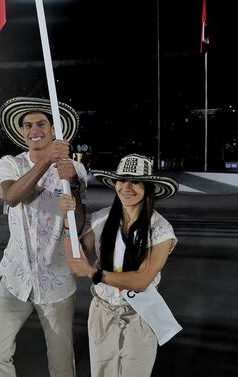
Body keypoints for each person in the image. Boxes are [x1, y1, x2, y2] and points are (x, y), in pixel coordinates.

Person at [0, 97, 88, 377]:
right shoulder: (11, 163)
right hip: (16, 278)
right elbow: (13, 196)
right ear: (21, 132)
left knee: (61, 363)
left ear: (54, 130)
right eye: (27, 125)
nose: (34, 129)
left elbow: (77, 226)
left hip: (56, 279)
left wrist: (74, 185)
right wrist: (46, 161)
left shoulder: (73, 170)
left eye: (41, 123)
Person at [58, 153, 182, 377]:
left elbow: (142, 279)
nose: (127, 187)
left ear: (148, 188)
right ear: (115, 184)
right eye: (122, 180)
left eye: (135, 182)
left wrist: (95, 274)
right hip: (102, 314)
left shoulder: (161, 229)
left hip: (139, 315)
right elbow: (76, 260)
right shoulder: (101, 220)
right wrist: (67, 224)